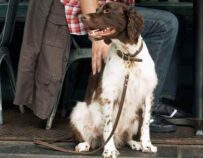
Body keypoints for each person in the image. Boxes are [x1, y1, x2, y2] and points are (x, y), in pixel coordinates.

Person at [14, 0, 186, 132]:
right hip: (85, 20)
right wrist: (96, 34)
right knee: (166, 24)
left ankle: (158, 100)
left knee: (175, 19)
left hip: (107, 15)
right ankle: (144, 111)